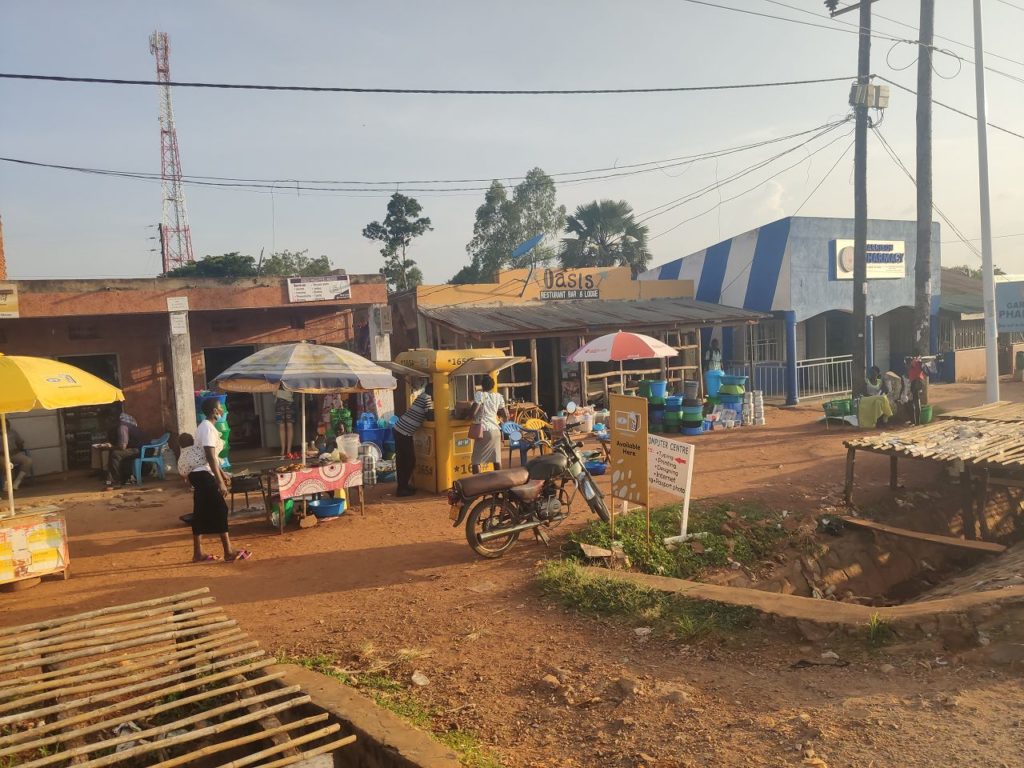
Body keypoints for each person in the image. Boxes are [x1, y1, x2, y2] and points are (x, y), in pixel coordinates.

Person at [185, 399, 250, 562]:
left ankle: (197, 553)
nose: (222, 412)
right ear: (214, 411)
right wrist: (220, 482)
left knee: (200, 513)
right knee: (220, 510)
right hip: (203, 474)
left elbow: (212, 457)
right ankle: (228, 552)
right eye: (220, 409)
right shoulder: (207, 428)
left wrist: (222, 473)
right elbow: (209, 455)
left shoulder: (206, 427)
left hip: (199, 473)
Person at [393, 382, 433, 497]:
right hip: (404, 432)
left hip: (399, 429)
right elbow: (430, 416)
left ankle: (403, 486)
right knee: (409, 461)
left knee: (402, 461)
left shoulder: (422, 396)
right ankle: (402, 488)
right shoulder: (427, 398)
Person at [471, 376, 509, 474]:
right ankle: (499, 483)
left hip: (484, 430)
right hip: (496, 431)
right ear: (493, 386)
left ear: (482, 385)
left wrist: (468, 412)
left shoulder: (480, 395)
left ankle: (477, 483)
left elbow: (473, 413)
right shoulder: (498, 396)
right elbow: (505, 415)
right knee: (496, 459)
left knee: (476, 461)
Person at [106, 409, 147, 488]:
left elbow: (122, 446)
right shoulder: (128, 426)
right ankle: (117, 479)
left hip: (142, 450)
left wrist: (111, 446)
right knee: (115, 453)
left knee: (115, 454)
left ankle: (116, 481)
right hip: (140, 449)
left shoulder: (122, 427)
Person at [906, 355, 936, 426]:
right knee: (913, 401)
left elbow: (923, 371)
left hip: (916, 382)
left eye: (907, 364)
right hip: (917, 382)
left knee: (915, 401)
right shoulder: (916, 364)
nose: (906, 366)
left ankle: (916, 422)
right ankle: (915, 421)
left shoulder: (916, 363)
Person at [3, 426, 32, 491]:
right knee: (6, 465)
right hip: (2, 455)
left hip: (14, 454)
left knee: (27, 461)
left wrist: (18, 449)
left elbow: (20, 443)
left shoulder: (12, 432)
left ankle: (17, 482)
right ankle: (7, 485)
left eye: (7, 423)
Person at [275, 390, 297, 460]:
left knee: (288, 425)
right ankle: (284, 449)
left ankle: (288, 450)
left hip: (288, 400)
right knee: (283, 426)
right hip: (280, 400)